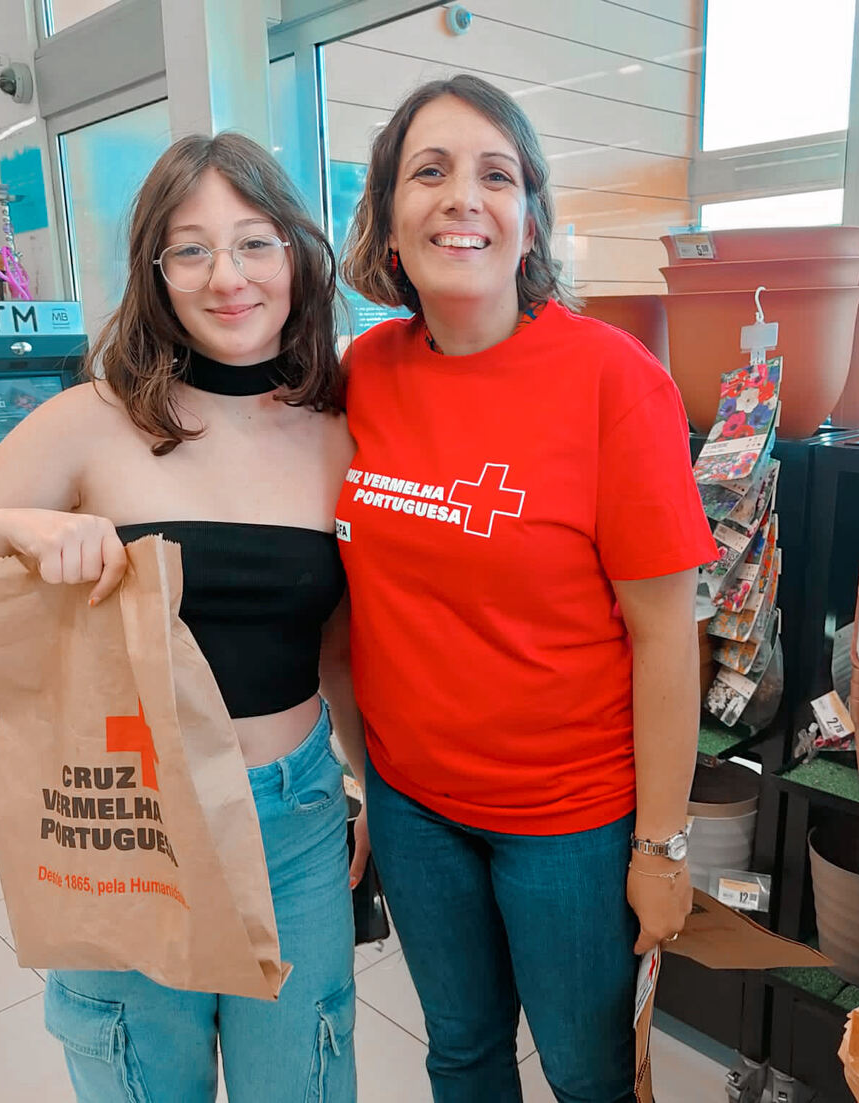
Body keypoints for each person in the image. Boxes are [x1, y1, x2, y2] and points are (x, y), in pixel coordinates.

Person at [0, 133, 364, 1103]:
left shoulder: (340, 430)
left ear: (296, 255)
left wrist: (375, 790)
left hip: (295, 816)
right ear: (155, 271)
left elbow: (336, 647)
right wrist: (10, 534)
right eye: (191, 249)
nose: (226, 276)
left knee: (304, 1080)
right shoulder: (92, 419)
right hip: (129, 818)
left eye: (255, 241)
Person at [338, 74, 718, 1103]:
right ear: (388, 217)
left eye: (495, 175)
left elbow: (665, 636)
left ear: (529, 219)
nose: (462, 196)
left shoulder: (613, 381)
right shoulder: (362, 373)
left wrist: (661, 844)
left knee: (585, 1072)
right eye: (429, 171)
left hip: (567, 821)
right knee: (460, 1052)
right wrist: (363, 779)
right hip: (413, 805)